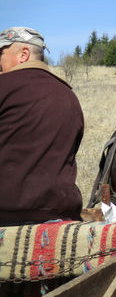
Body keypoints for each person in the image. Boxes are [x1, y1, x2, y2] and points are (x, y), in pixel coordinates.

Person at [0, 27, 84, 225]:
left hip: (6, 214)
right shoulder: (69, 96)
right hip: (62, 213)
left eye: (1, 54)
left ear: (23, 54)